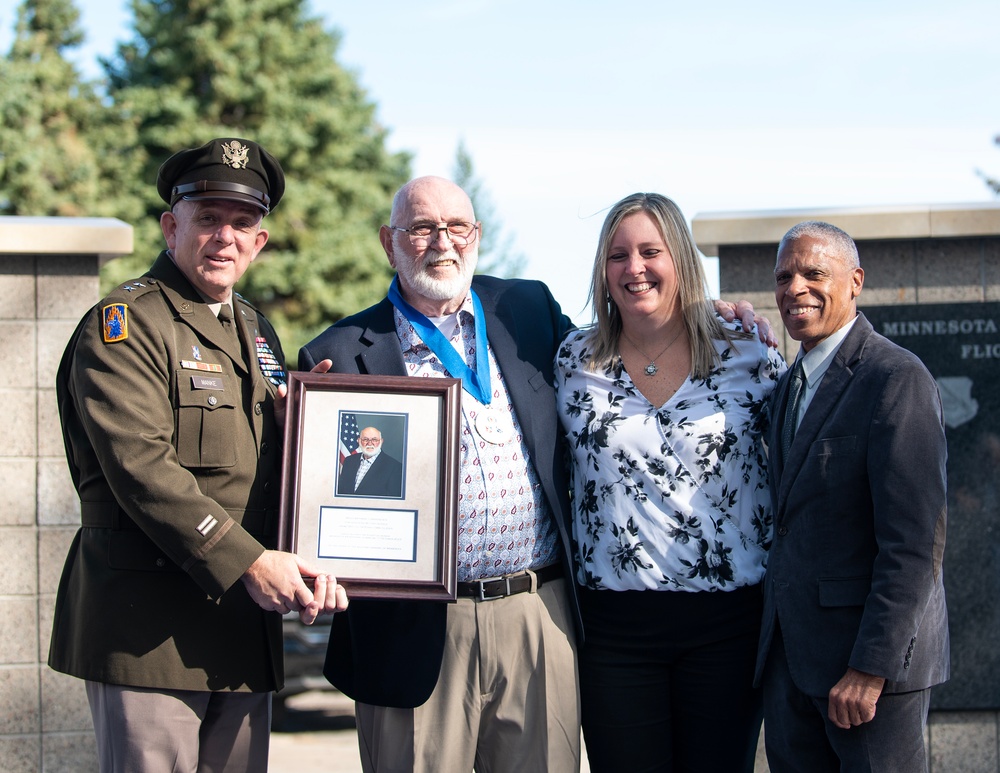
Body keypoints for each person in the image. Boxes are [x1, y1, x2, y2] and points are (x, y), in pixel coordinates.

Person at [48, 137, 348, 773]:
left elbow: (263, 469)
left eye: (242, 224)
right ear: (171, 225)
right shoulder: (126, 324)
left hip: (239, 628)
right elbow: (141, 466)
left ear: (259, 242)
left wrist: (313, 432)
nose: (225, 237)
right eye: (207, 218)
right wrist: (249, 562)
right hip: (149, 630)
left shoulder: (256, 331)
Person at [554, 192, 784, 773]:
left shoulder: (747, 348)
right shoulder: (573, 359)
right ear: (602, 273)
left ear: (680, 258)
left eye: (650, 251)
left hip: (729, 625)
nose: (635, 268)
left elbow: (804, 455)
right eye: (618, 256)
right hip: (613, 631)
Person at [754, 221, 949, 772]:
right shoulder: (788, 385)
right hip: (792, 670)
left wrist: (871, 667)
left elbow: (914, 545)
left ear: (855, 281)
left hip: (867, 680)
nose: (795, 288)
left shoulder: (895, 378)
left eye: (814, 274)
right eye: (784, 275)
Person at [338, 426, 404, 497]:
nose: (369, 443)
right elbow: (341, 490)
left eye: (374, 440)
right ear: (359, 441)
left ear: (381, 442)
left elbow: (392, 501)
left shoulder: (394, 467)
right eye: (365, 439)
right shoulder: (349, 461)